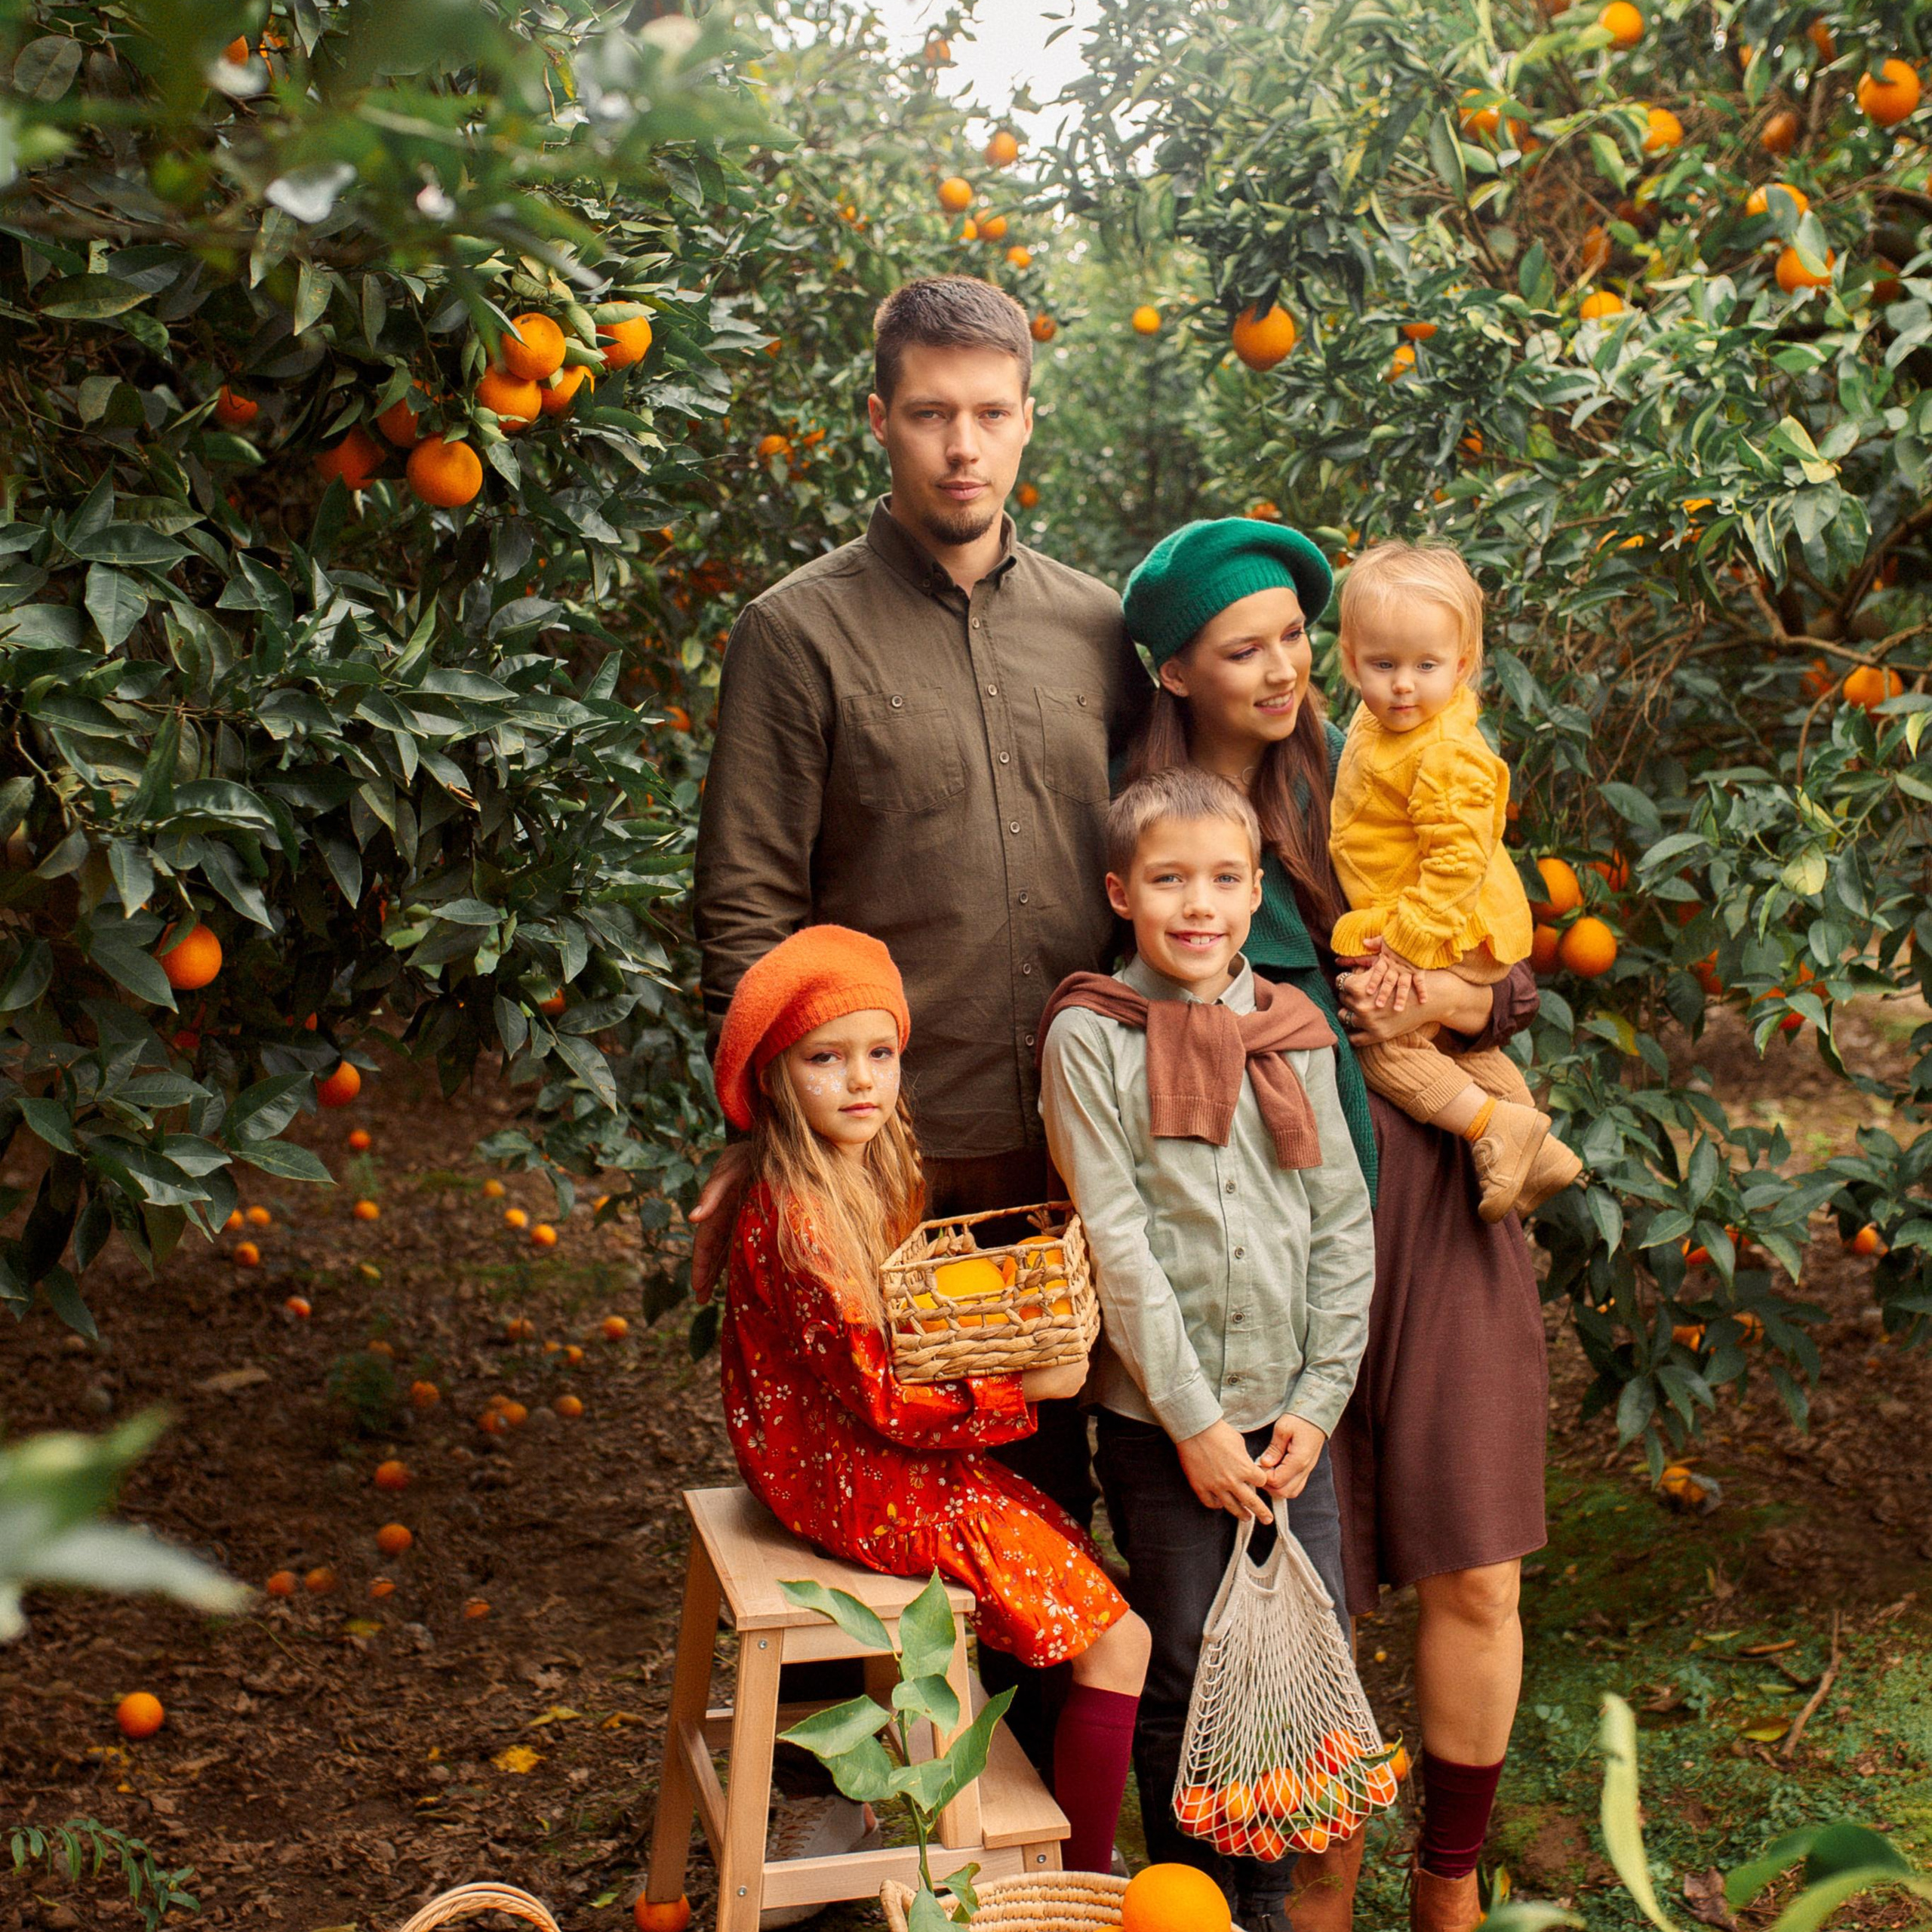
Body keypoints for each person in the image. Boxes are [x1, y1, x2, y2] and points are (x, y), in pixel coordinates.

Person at [691, 273, 1150, 1771]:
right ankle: (854, 1829)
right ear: (878, 418)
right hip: (887, 1176)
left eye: (991, 413)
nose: (963, 445)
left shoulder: (1095, 628)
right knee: (880, 1540)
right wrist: (790, 1155)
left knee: (1051, 1509)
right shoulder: (797, 633)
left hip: (1066, 1165)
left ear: (1029, 420)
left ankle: (1027, 1840)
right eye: (932, 413)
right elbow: (747, 911)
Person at [1121, 518, 1553, 1932]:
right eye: (1246, 649)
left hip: (1432, 1200)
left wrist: (1463, 1000)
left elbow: (1507, 968)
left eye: (1296, 642)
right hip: (1269, 1239)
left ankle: (1449, 1877)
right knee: (1313, 1569)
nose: (1286, 670)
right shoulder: (1152, 824)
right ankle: (1319, 1880)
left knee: (1476, 1561)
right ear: (1177, 671)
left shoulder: (1365, 759)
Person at [712, 924, 1150, 1874]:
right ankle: (1081, 1880)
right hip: (852, 1476)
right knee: (1123, 1643)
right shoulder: (803, 1220)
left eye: (880, 1053)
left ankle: (1058, 1844)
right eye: (826, 1058)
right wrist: (1022, 1384)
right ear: (774, 1077)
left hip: (836, 1457)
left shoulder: (847, 1173)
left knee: (1064, 1549)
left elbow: (888, 1349)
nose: (860, 1080)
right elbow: (885, 1394)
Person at [1036, 768, 1375, 1932]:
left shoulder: (1294, 1029)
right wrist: (1193, 1423)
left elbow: (1343, 1223)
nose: (1199, 905)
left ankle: (1267, 1904)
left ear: (1256, 891)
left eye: (1225, 880)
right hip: (1161, 1423)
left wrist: (1320, 1401)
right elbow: (1118, 1242)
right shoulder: (1091, 1035)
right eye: (1170, 880)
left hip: (1291, 1419)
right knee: (1186, 1659)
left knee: (1294, 1655)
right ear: (1121, 893)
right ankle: (1194, 1906)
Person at [1326, 542, 1580, 1222]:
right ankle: (1539, 1150)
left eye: (1426, 666)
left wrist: (1407, 944)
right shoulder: (1379, 721)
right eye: (1384, 665)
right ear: (1351, 660)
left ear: (1462, 665)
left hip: (1445, 921)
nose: (1403, 686)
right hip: (1439, 914)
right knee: (1439, 1038)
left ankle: (1494, 1128)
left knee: (1383, 1042)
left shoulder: (1445, 752)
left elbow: (1458, 858)